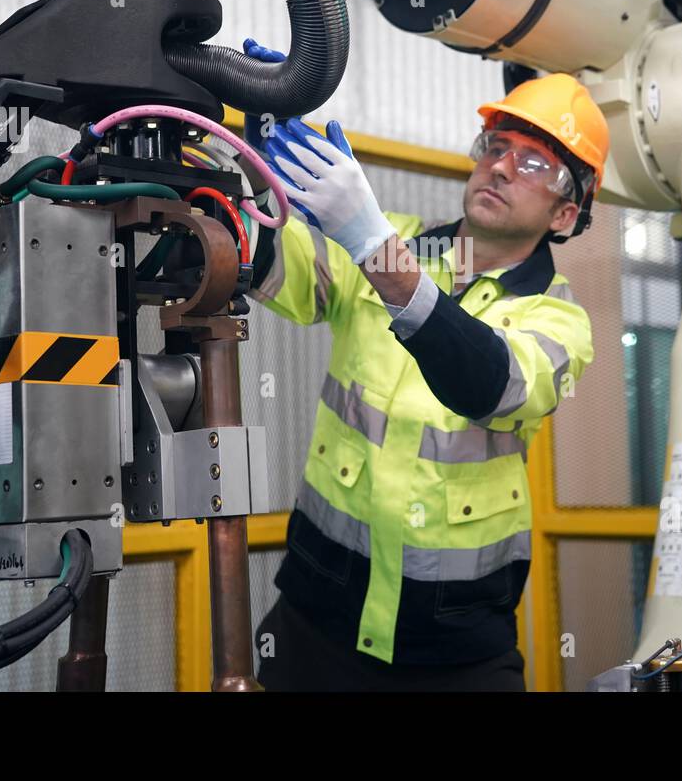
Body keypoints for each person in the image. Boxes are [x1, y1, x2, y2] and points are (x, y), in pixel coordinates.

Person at [242, 40, 608, 690]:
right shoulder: (394, 244)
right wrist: (249, 180)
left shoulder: (559, 322)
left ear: (565, 213)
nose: (499, 168)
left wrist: (370, 243)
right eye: (494, 145)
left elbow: (486, 380)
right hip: (314, 618)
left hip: (456, 649)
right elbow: (280, 268)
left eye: (533, 163)